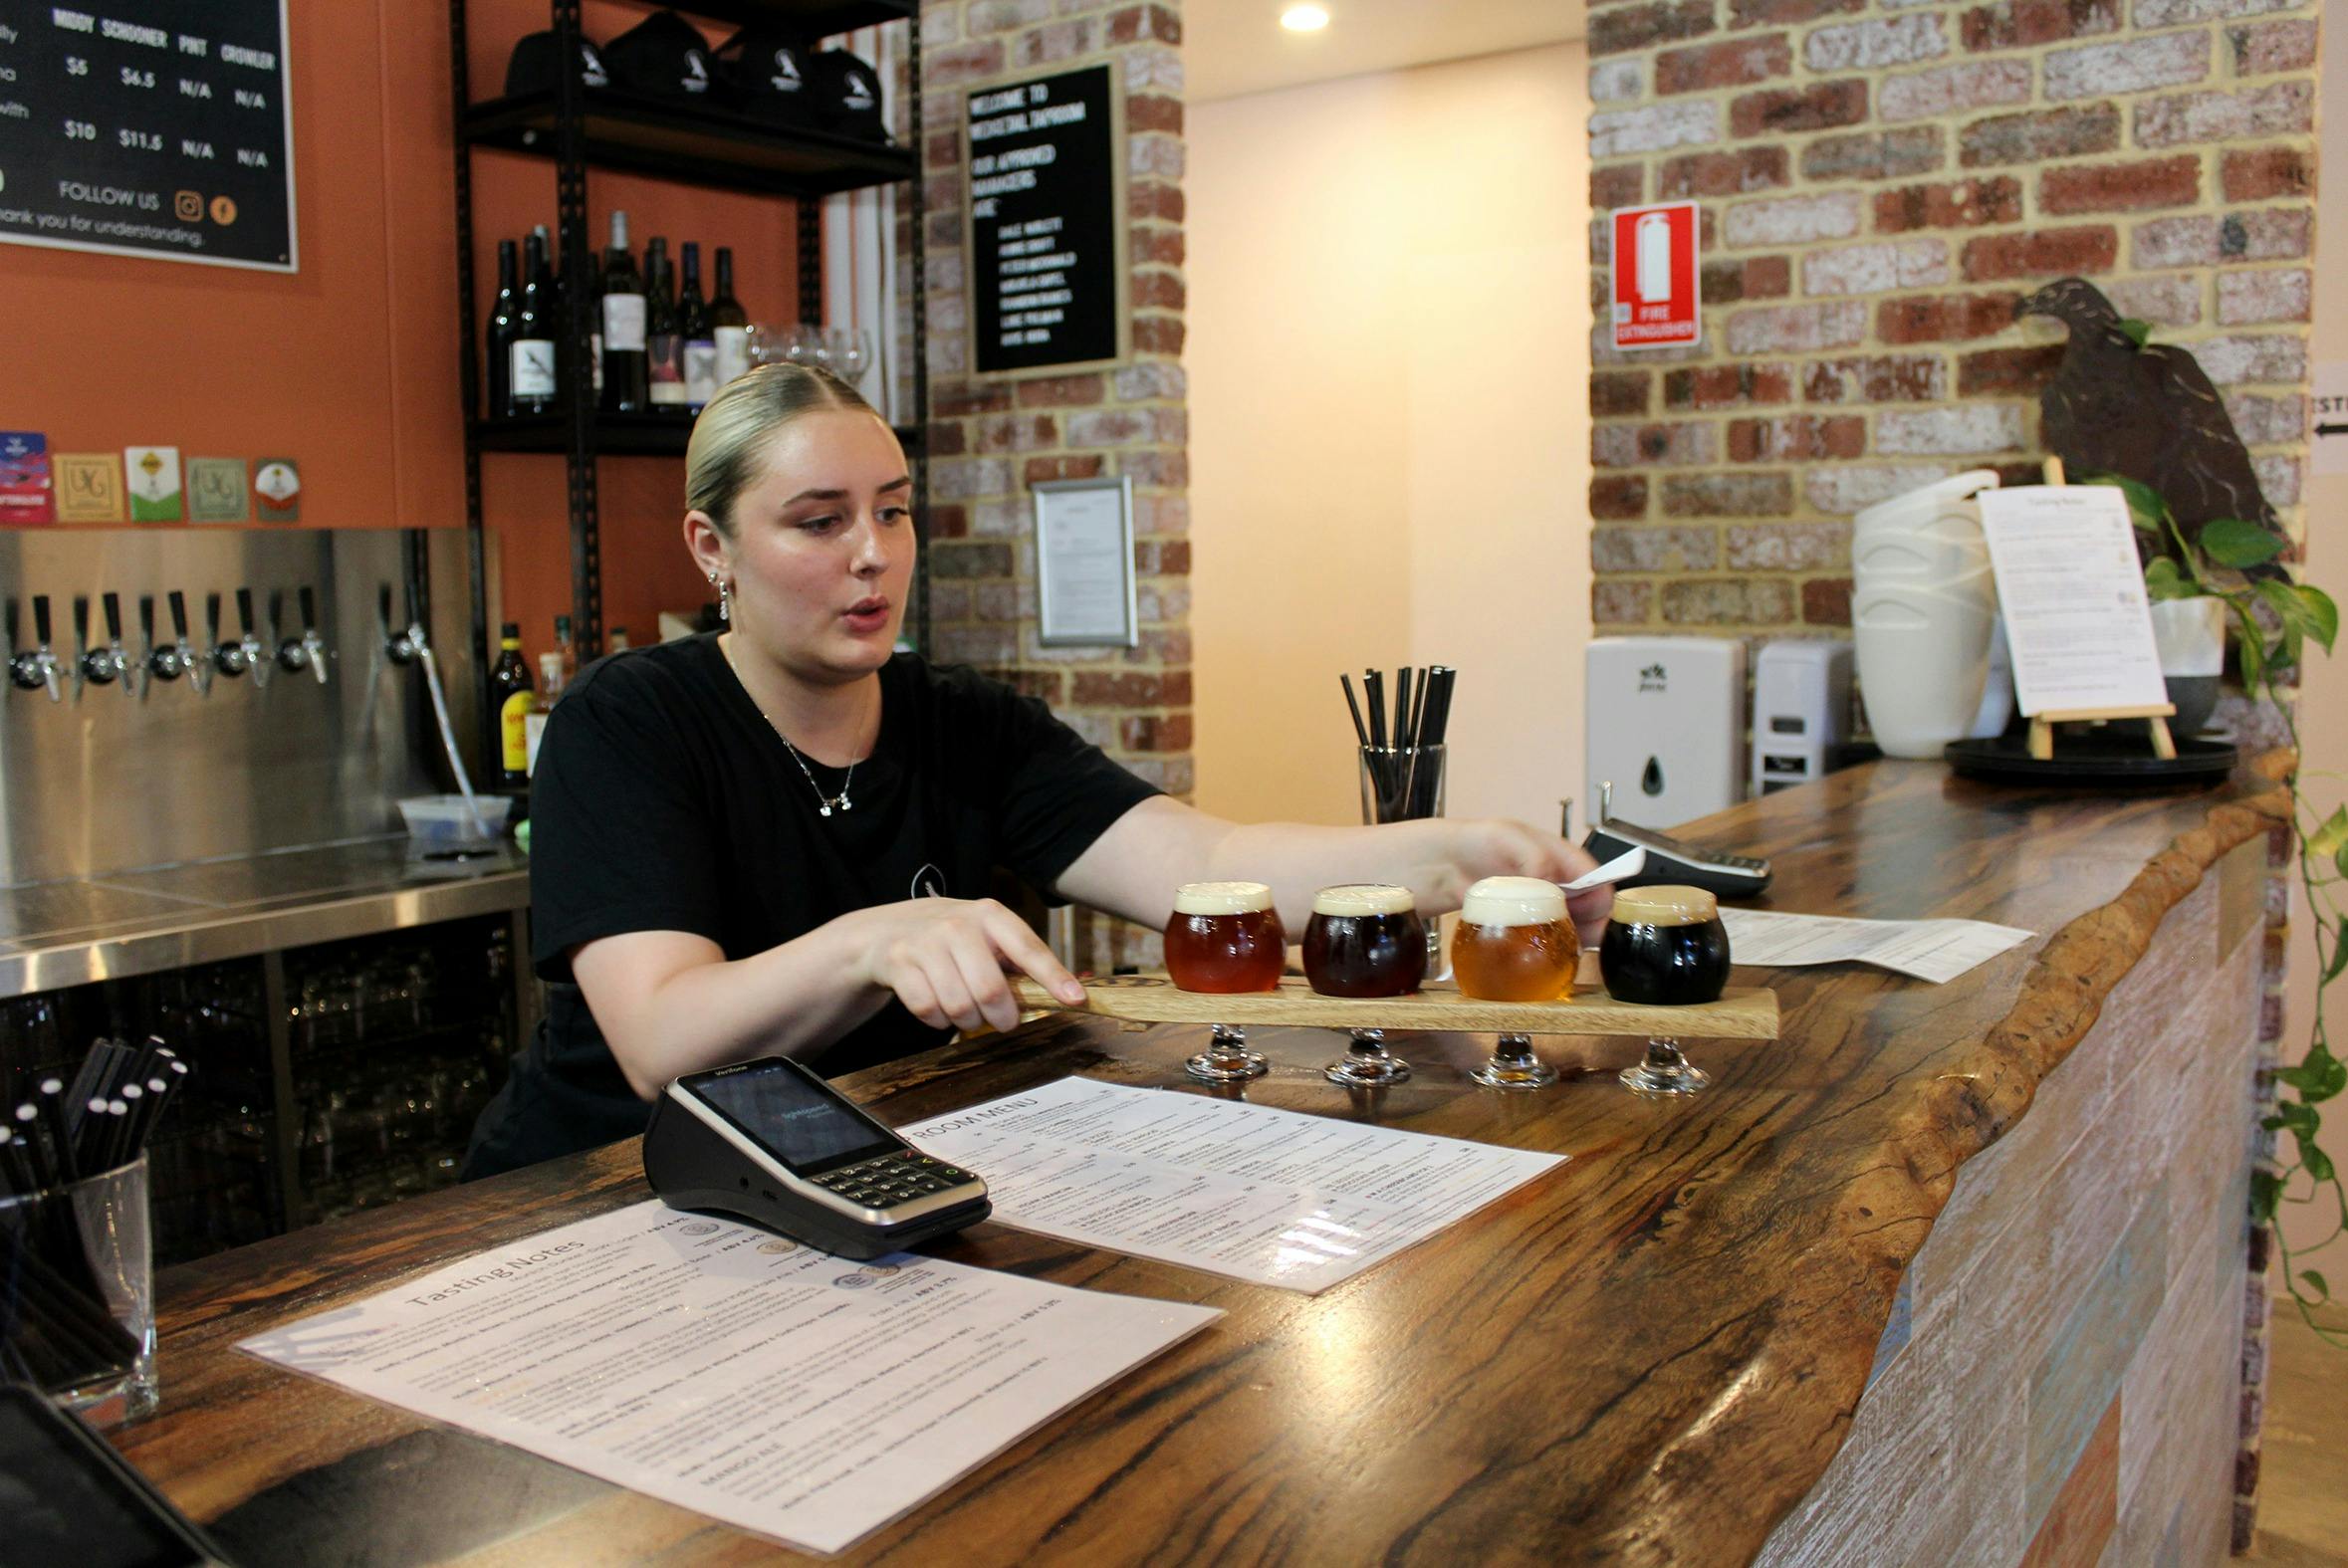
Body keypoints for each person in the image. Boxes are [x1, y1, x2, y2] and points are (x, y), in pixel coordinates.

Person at [463, 364, 1610, 1177]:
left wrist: (1452, 853)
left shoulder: (962, 722)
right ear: (712, 549)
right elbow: (662, 1040)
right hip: (603, 1195)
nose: (873, 555)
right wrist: (874, 940)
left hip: (855, 1175)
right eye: (818, 523)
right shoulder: (631, 721)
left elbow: (1204, 860)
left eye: (894, 513)